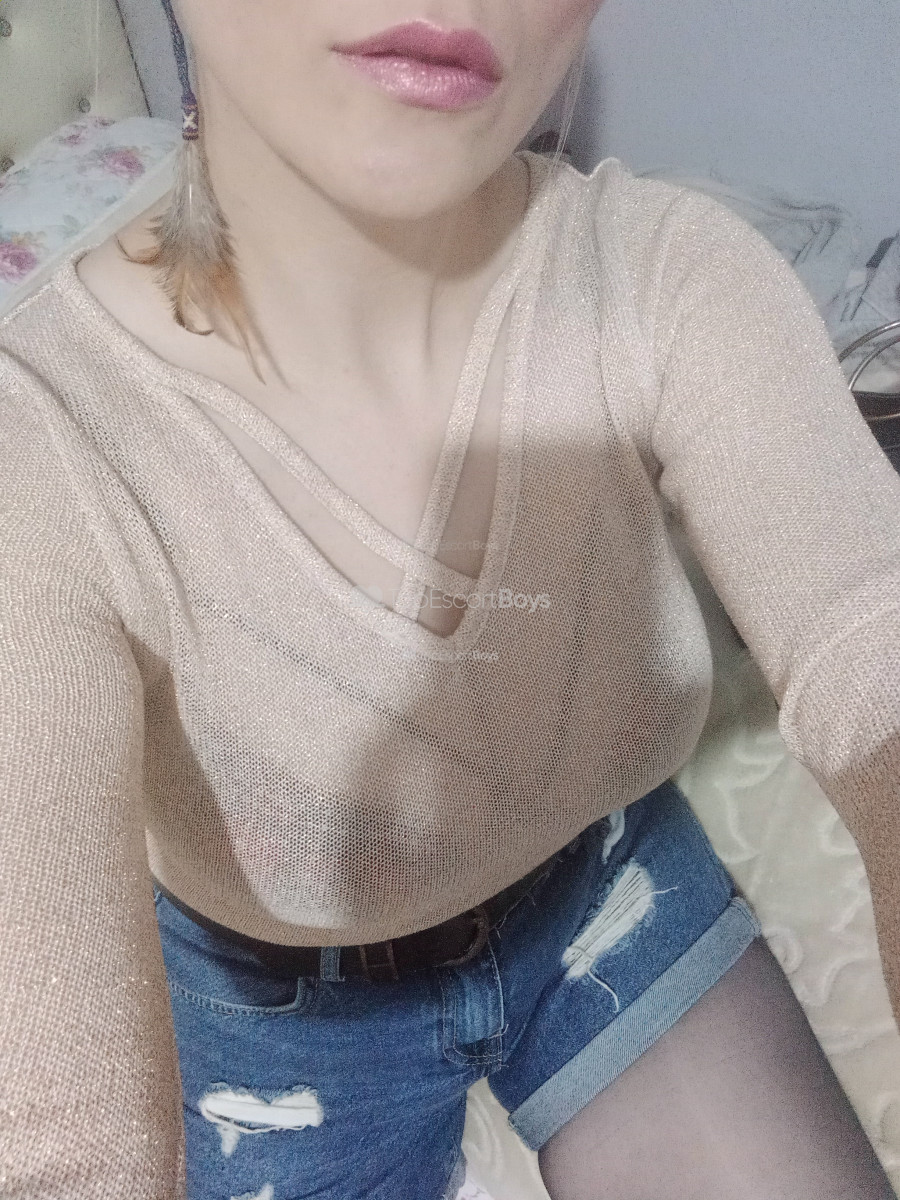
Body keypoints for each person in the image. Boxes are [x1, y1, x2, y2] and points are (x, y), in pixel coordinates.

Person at [1, 1, 899, 1197]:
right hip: (270, 1022)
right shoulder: (45, 449)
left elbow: (870, 648)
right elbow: (56, 1134)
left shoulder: (670, 277)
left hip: (602, 877)